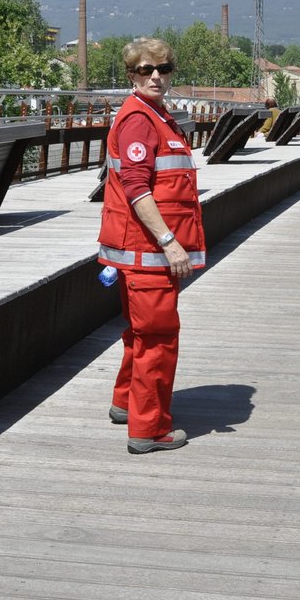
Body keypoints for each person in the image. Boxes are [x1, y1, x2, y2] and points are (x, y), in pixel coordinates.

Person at [98, 37, 207, 454]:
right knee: (158, 339)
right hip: (148, 253)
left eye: (163, 69)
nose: (156, 76)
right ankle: (149, 430)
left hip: (141, 252)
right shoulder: (140, 121)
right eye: (146, 70)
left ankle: (127, 403)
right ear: (131, 75)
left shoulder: (156, 115)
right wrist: (169, 242)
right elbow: (136, 188)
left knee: (140, 335)